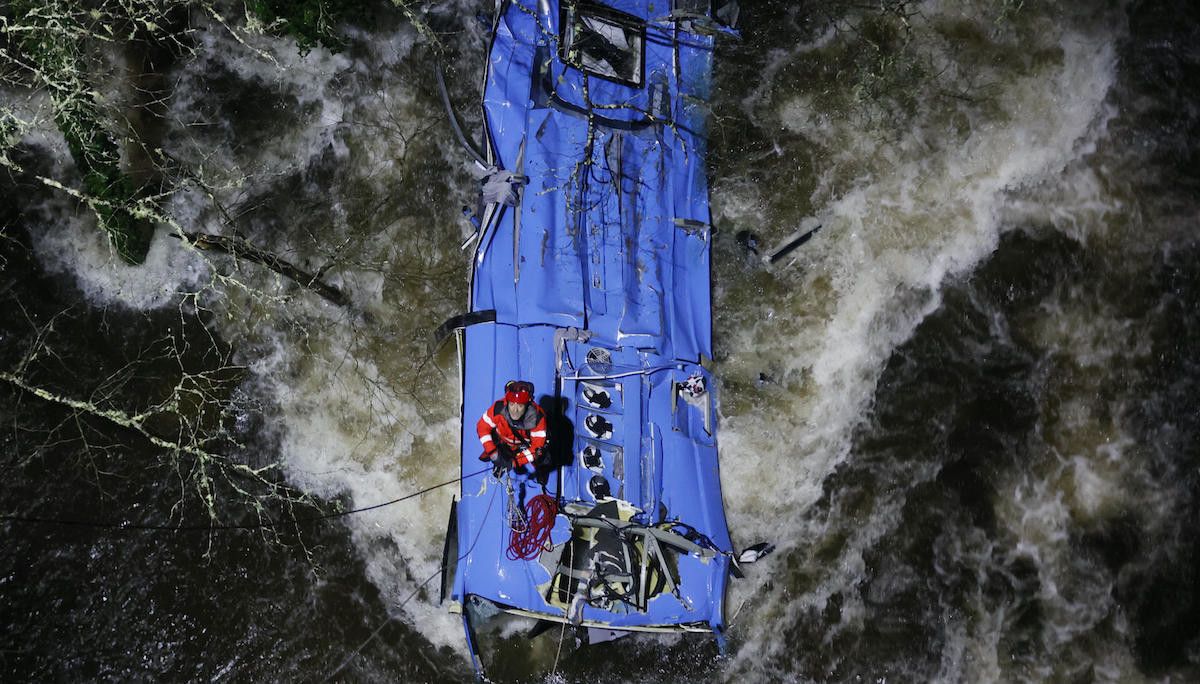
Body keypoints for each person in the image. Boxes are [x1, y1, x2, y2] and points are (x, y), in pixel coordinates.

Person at [477, 380, 548, 475]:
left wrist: (515, 462)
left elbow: (537, 447)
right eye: (511, 404)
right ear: (507, 402)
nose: (515, 410)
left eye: (520, 405)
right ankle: (500, 462)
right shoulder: (497, 408)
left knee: (542, 457)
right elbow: (482, 427)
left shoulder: (537, 418)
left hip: (523, 445)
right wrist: (493, 453)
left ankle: (540, 471)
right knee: (499, 451)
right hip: (503, 442)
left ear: (527, 404)